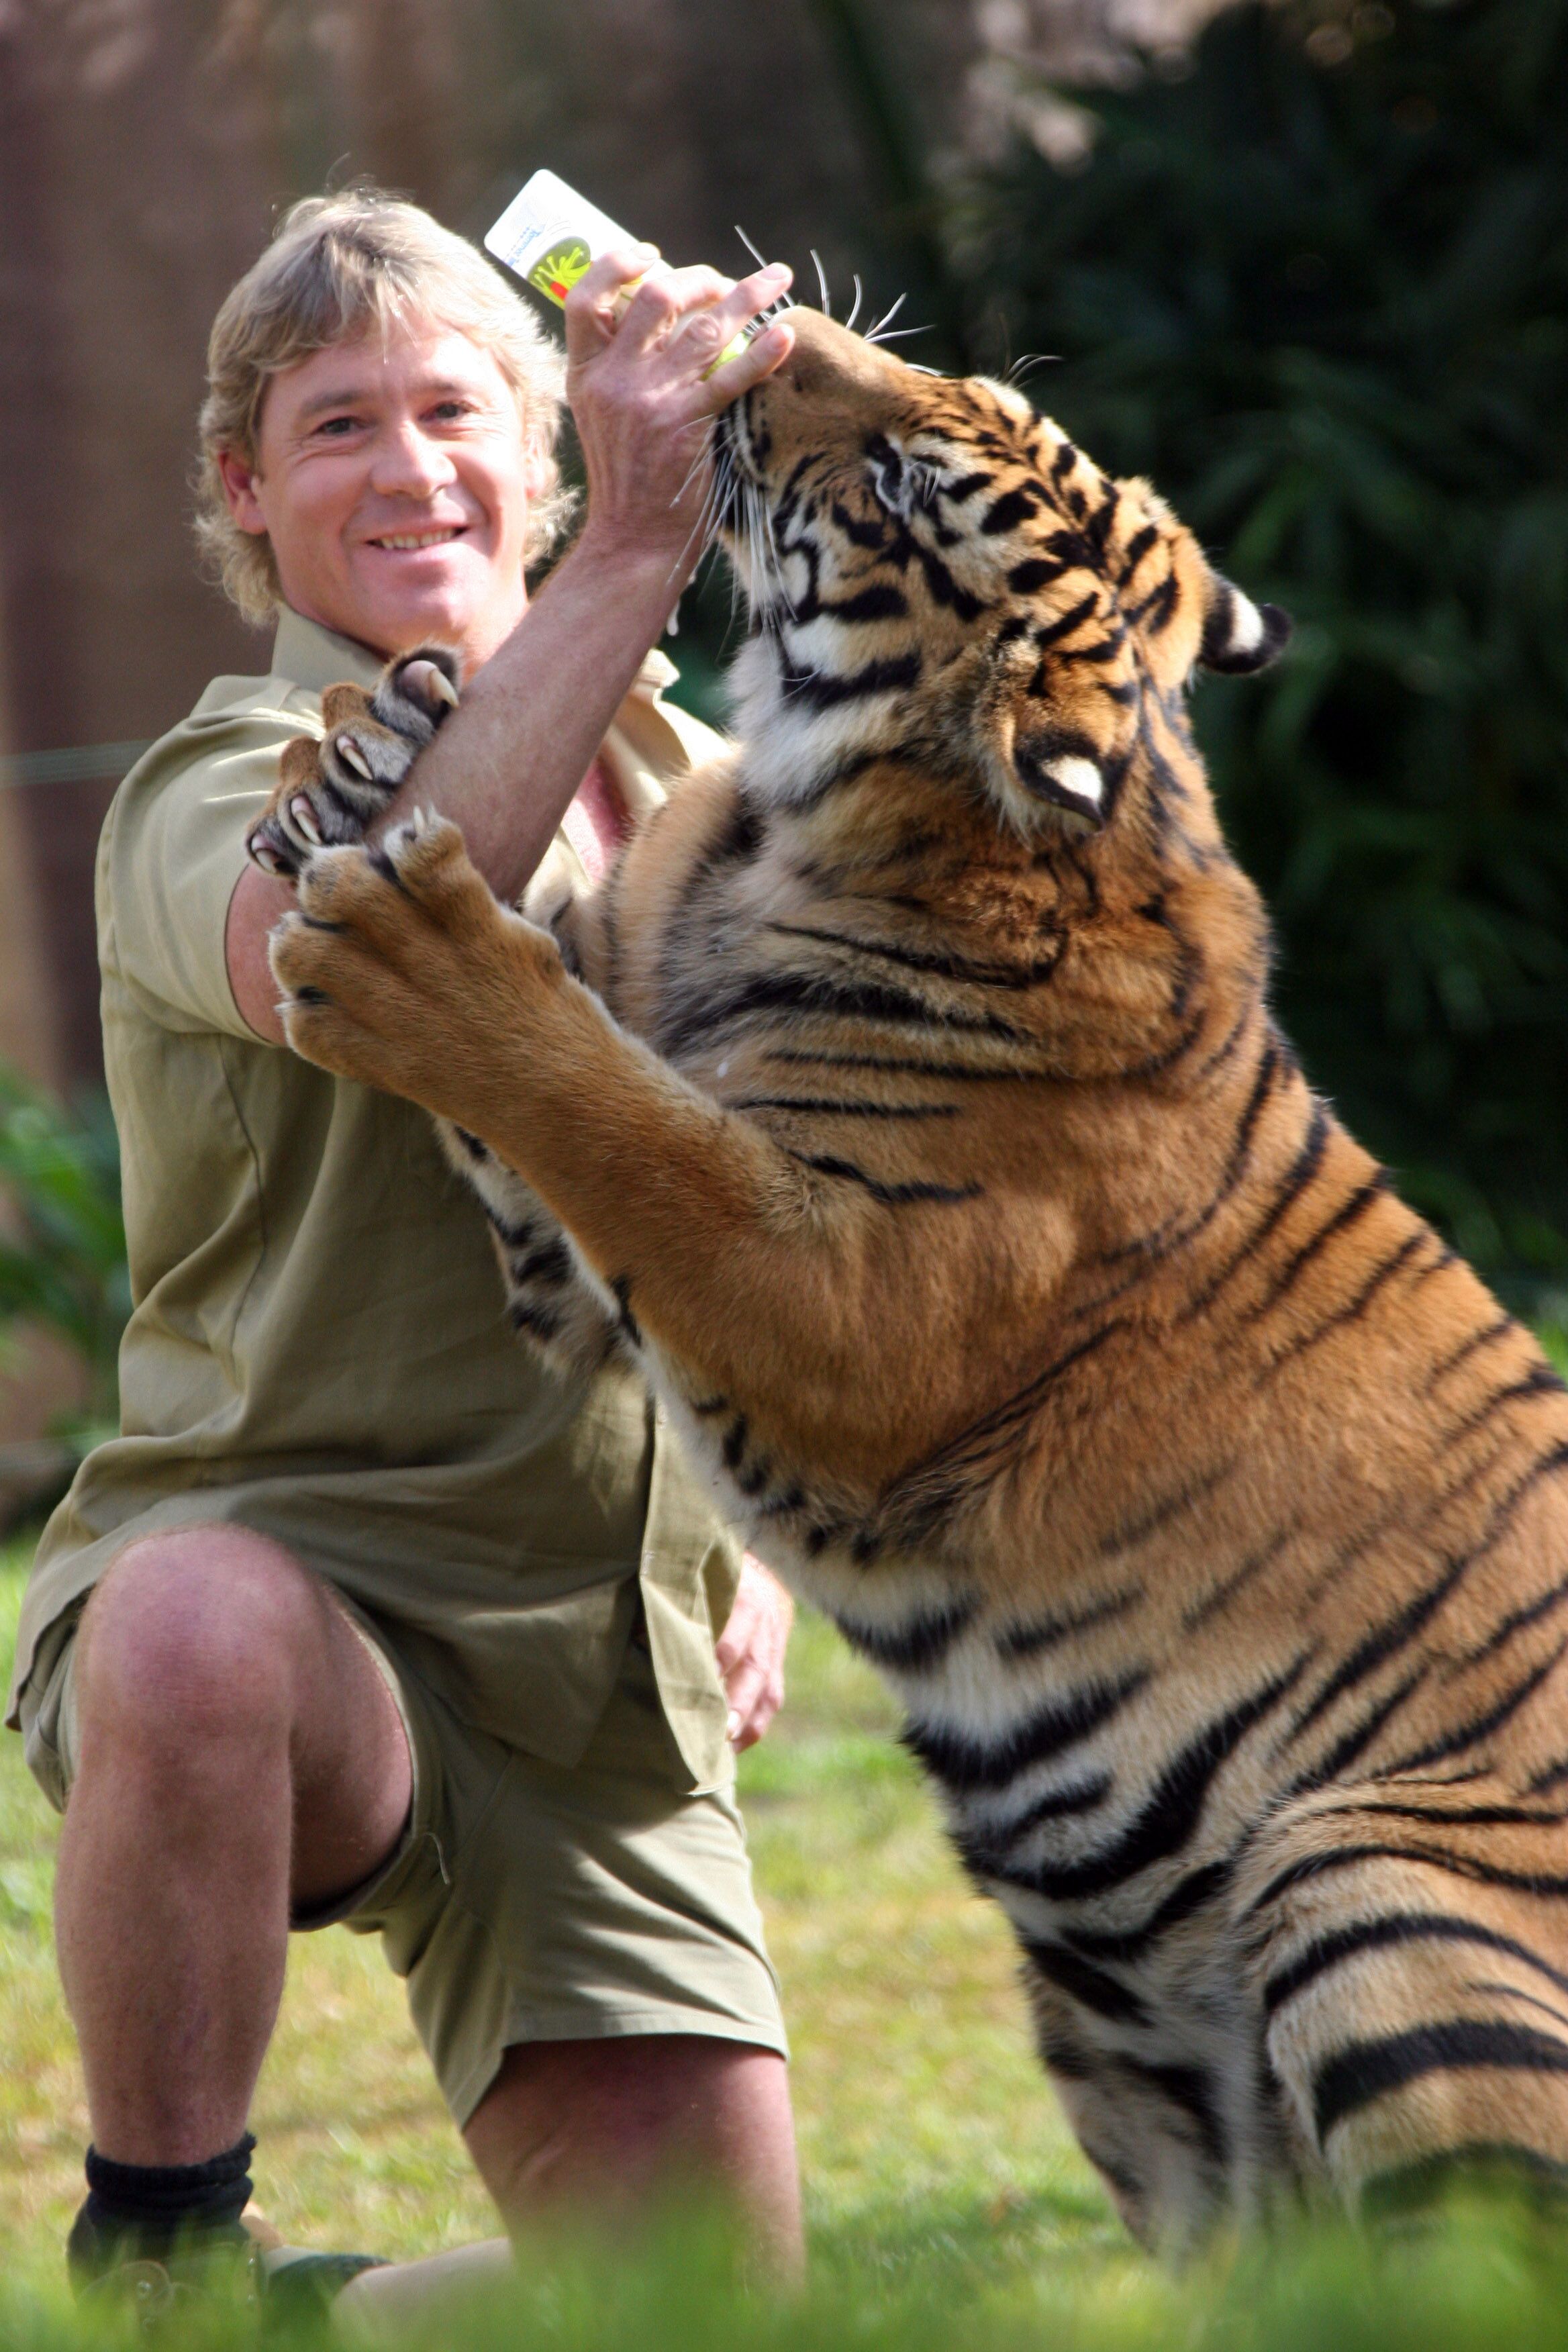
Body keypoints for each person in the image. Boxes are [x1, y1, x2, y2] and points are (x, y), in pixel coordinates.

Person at [4, 189, 804, 2318]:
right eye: (336, 423)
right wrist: (643, 552)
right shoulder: (220, 786)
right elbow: (365, 960)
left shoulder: (717, 791)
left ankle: (297, 2318)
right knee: (183, 1625)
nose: (411, 461)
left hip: (597, 1686)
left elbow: (804, 1198)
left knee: (699, 2323)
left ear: (542, 445)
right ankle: (161, 2251)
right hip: (296, 1590)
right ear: (248, 498)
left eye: (456, 404)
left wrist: (761, 1536)